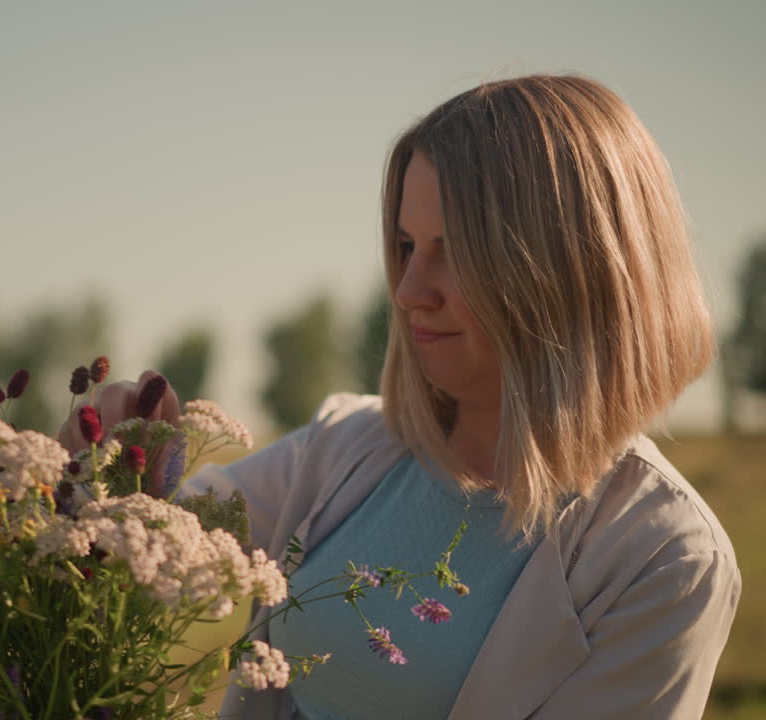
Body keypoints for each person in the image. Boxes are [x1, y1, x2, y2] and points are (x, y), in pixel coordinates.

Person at [59, 73, 740, 719]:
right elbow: (124, 554)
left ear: (570, 272)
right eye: (407, 245)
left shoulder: (663, 559)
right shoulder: (346, 449)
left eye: (455, 250)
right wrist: (95, 473)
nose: (410, 289)